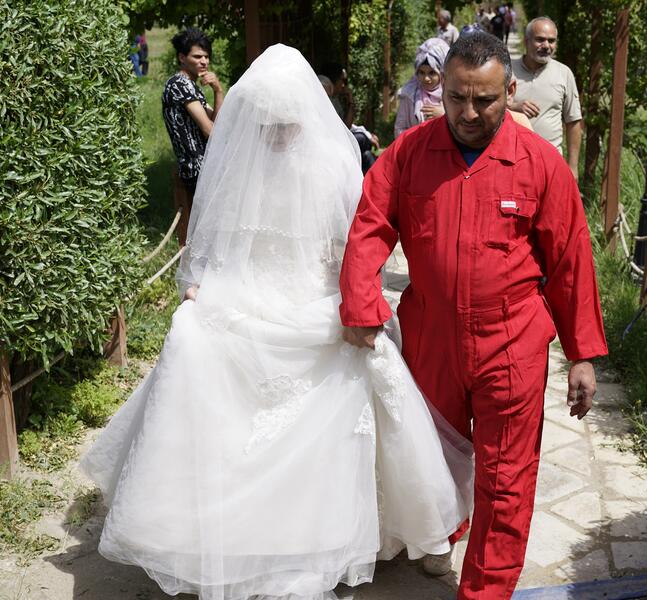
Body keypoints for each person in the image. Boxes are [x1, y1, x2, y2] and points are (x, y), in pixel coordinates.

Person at [81, 44, 472, 600]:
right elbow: (215, 241)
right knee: (192, 339)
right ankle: (208, 530)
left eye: (286, 122)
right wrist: (201, 283)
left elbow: (353, 245)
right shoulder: (238, 161)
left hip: (313, 295)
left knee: (363, 357)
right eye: (268, 123)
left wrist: (355, 299)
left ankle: (358, 528)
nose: (278, 133)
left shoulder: (336, 161)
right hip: (249, 293)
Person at [339, 32, 607, 599]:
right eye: (457, 97)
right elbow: (370, 224)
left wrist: (581, 354)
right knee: (434, 452)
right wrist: (361, 300)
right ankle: (443, 529)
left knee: (505, 479)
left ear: (508, 92)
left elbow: (569, 261)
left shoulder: (540, 164)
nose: (467, 112)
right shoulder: (410, 152)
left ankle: (484, 589)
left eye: (483, 100)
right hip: (430, 333)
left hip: (510, 341)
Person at [162, 28, 225, 245]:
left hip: (204, 166)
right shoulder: (179, 84)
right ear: (182, 57)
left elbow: (216, 123)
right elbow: (210, 131)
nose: (204, 61)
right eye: (197, 56)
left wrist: (218, 90)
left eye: (206, 56)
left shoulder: (191, 86)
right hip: (195, 168)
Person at [510, 17, 582, 180]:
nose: (546, 46)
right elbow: (489, 107)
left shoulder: (564, 74)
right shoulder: (507, 70)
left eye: (551, 41)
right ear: (526, 41)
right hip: (512, 161)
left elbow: (573, 122)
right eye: (540, 40)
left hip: (550, 163)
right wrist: (513, 107)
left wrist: (572, 167)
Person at [394, 37, 449, 138]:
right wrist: (420, 138)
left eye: (432, 73)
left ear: (442, 73)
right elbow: (399, 129)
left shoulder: (452, 95)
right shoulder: (409, 94)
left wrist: (445, 115)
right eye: (421, 73)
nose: (426, 78)